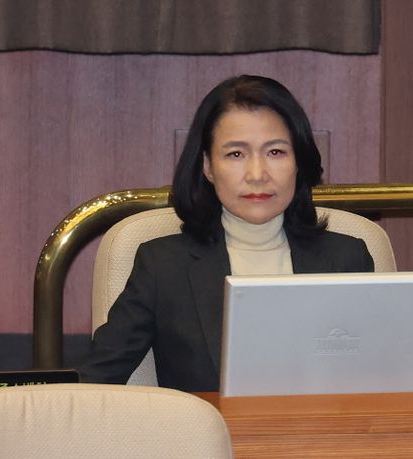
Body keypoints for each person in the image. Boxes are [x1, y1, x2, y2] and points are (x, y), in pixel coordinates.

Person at [78, 75, 374, 392]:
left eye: (275, 152)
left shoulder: (346, 259)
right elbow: (94, 383)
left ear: (298, 161)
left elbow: (381, 377)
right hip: (207, 426)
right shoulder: (163, 266)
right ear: (207, 166)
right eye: (236, 154)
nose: (257, 175)